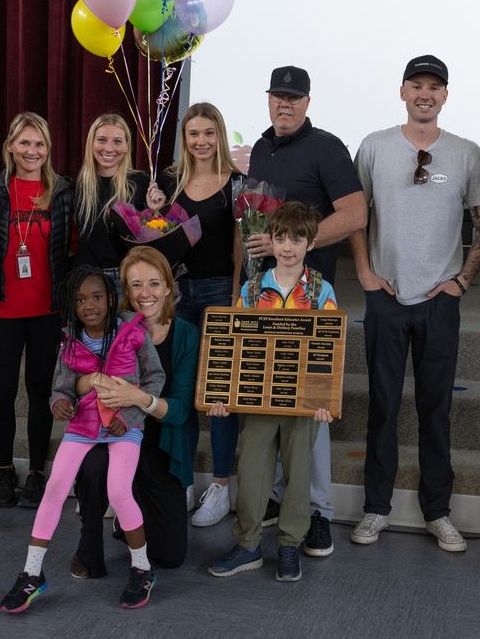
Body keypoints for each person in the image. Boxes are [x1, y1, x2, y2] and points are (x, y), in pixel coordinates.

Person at [347, 56, 480, 552]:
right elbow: (355, 215)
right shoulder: (373, 147)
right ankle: (375, 508)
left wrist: (462, 281)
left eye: (435, 86)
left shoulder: (467, 154)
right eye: (416, 85)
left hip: (439, 301)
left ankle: (438, 511)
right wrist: (366, 274)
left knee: (437, 410)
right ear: (403, 92)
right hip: (387, 297)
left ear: (446, 96)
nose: (425, 94)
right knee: (383, 407)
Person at [244, 65, 367, 556]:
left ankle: (318, 511)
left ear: (308, 103)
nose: (285, 105)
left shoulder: (328, 148)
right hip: (265, 296)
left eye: (294, 98)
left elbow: (356, 214)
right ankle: (279, 497)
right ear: (269, 99)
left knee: (309, 413)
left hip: (310, 304)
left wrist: (288, 244)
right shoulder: (259, 147)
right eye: (278, 97)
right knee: (270, 401)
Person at [0, 266, 164, 612]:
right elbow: (59, 388)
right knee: (55, 487)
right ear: (72, 306)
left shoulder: (132, 331)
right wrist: (60, 403)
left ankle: (142, 568)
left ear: (111, 298)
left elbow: (154, 377)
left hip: (124, 428)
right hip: (83, 427)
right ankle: (31, 574)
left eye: (97, 297)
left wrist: (130, 416)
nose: (90, 305)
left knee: (119, 491)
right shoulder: (69, 340)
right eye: (80, 300)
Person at [206, 202, 337, 583]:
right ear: (271, 240)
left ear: (310, 243)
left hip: (301, 403)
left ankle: (289, 545)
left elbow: (330, 349)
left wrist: (325, 400)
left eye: (297, 239)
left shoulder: (320, 289)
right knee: (250, 470)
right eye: (281, 238)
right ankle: (247, 544)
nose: (288, 247)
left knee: (299, 475)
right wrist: (223, 393)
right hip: (258, 397)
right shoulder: (251, 289)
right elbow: (233, 346)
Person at [71, 247, 201, 576]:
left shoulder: (186, 334)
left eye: (154, 284)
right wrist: (87, 383)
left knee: (171, 555)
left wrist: (136, 396)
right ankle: (88, 544)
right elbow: (75, 383)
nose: (146, 294)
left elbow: (181, 411)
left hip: (161, 444)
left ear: (169, 287)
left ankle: (129, 514)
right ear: (126, 291)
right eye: (136, 285)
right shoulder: (111, 328)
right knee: (92, 463)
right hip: (116, 437)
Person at [155, 102, 243, 527]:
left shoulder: (236, 183)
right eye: (193, 134)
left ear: (219, 136)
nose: (201, 141)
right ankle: (183, 480)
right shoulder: (169, 184)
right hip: (178, 293)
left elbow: (242, 243)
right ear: (184, 138)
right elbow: (155, 236)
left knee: (220, 394)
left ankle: (222, 487)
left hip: (220, 291)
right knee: (184, 390)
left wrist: (238, 290)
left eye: (209, 133)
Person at [0, 112, 74, 508]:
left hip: (47, 311)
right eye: (24, 143)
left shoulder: (62, 191)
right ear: (10, 147)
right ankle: (5, 471)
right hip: (2, 309)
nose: (32, 151)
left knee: (40, 394)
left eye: (39, 144)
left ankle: (37, 471)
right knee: (2, 394)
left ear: (48, 149)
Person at [72, 113, 161, 294]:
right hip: (85, 279)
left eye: (117, 141)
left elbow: (154, 239)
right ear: (91, 144)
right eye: (102, 140)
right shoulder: (76, 186)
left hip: (126, 279)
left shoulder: (141, 183)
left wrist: (156, 211)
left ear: (127, 146)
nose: (109, 148)